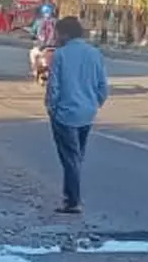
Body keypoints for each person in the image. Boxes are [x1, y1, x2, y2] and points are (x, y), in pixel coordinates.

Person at [46, 16, 109, 214]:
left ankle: (73, 201)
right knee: (76, 157)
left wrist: (51, 108)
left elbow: (53, 87)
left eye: (57, 33)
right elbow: (102, 86)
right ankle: (69, 197)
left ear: (65, 34)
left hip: (65, 115)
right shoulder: (95, 54)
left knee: (70, 159)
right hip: (87, 114)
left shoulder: (60, 55)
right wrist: (95, 103)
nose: (55, 37)